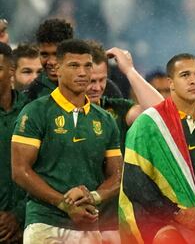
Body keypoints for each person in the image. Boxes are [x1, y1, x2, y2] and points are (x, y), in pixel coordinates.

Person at [11, 39, 122, 244]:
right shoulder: (35, 112)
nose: (82, 73)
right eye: (74, 66)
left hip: (88, 225)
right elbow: (20, 171)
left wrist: (93, 197)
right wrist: (64, 203)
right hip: (45, 224)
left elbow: (117, 175)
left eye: (87, 66)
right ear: (57, 69)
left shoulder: (105, 120)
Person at [119, 53, 195, 244]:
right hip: (156, 225)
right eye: (185, 75)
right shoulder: (148, 125)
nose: (194, 80)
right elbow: (134, 182)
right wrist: (177, 214)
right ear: (171, 83)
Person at [85, 44, 164, 240]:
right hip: (70, 222)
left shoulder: (116, 110)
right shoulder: (56, 112)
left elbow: (160, 113)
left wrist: (129, 70)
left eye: (102, 80)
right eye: (90, 81)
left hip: (112, 223)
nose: (97, 87)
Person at [0, 42, 26, 243]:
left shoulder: (32, 112)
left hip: (27, 224)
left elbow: (46, 167)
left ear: (11, 71)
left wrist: (18, 214)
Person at [24, 18, 74, 100]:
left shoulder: (89, 87)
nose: (51, 62)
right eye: (44, 55)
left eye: (57, 54)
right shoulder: (30, 96)